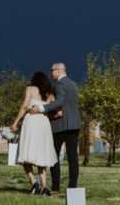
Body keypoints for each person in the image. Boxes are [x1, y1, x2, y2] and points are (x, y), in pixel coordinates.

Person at [29, 62, 82, 192]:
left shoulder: (59, 84)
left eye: (52, 70)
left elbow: (60, 102)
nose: (50, 72)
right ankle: (72, 187)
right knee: (73, 158)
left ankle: (56, 187)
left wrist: (41, 108)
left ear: (59, 71)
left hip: (60, 125)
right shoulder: (73, 85)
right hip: (74, 125)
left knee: (54, 157)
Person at [10, 71, 59, 195]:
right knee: (41, 154)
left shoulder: (30, 89)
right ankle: (44, 186)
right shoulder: (51, 94)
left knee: (26, 154)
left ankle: (33, 181)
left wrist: (15, 122)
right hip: (44, 123)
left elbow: (24, 106)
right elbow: (56, 112)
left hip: (31, 123)